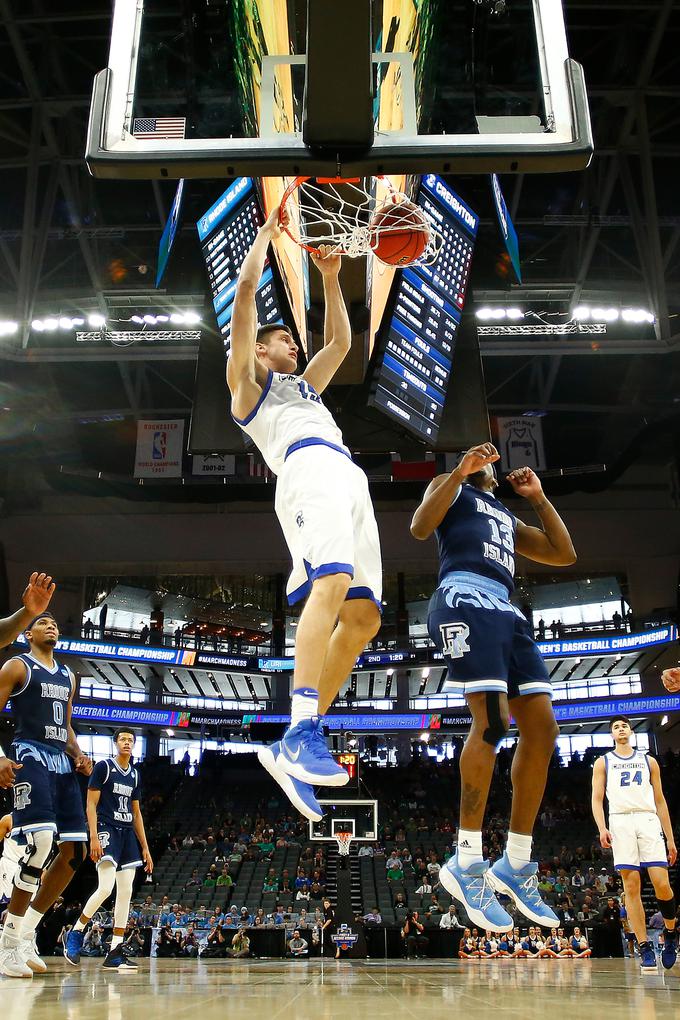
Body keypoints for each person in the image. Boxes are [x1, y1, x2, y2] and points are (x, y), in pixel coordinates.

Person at [227, 204, 382, 823]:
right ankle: (298, 728)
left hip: (347, 472)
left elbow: (343, 342)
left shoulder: (307, 386)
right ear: (262, 352)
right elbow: (242, 301)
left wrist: (329, 275)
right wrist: (265, 240)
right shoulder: (251, 387)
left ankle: (295, 742)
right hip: (305, 468)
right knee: (332, 582)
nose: (294, 341)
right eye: (283, 338)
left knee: (365, 618)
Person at [412, 444, 575, 932]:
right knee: (493, 723)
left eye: (488, 458)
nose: (488, 458)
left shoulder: (503, 513)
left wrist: (540, 498)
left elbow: (564, 554)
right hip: (463, 595)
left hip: (506, 608)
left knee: (543, 729)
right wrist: (458, 470)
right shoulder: (452, 488)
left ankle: (517, 861)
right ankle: (466, 859)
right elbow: (420, 526)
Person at [0, 609, 93, 978]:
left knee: (76, 853)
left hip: (60, 761)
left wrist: (79, 752)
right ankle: (7, 942)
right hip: (29, 754)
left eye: (55, 622)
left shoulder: (69, 676)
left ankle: (25, 932)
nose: (51, 624)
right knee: (40, 843)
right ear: (28, 634)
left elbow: (65, 725)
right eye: (43, 622)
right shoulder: (16, 667)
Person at [592, 715, 677, 973]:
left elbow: (660, 801)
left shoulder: (648, 760)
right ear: (611, 734)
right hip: (620, 821)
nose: (620, 729)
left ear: (631, 731)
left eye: (624, 726)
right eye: (616, 727)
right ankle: (644, 946)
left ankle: (671, 932)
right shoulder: (603, 762)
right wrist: (602, 828)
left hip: (647, 817)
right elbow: (596, 799)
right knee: (631, 886)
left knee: (662, 884)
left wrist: (671, 839)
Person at [64, 729, 153, 971]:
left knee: (125, 892)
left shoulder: (134, 775)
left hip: (126, 833)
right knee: (105, 887)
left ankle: (115, 951)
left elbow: (136, 813)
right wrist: (92, 836)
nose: (127, 743)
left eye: (131, 740)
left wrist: (145, 847)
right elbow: (90, 804)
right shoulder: (104, 767)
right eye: (123, 739)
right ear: (115, 743)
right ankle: (76, 932)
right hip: (106, 827)